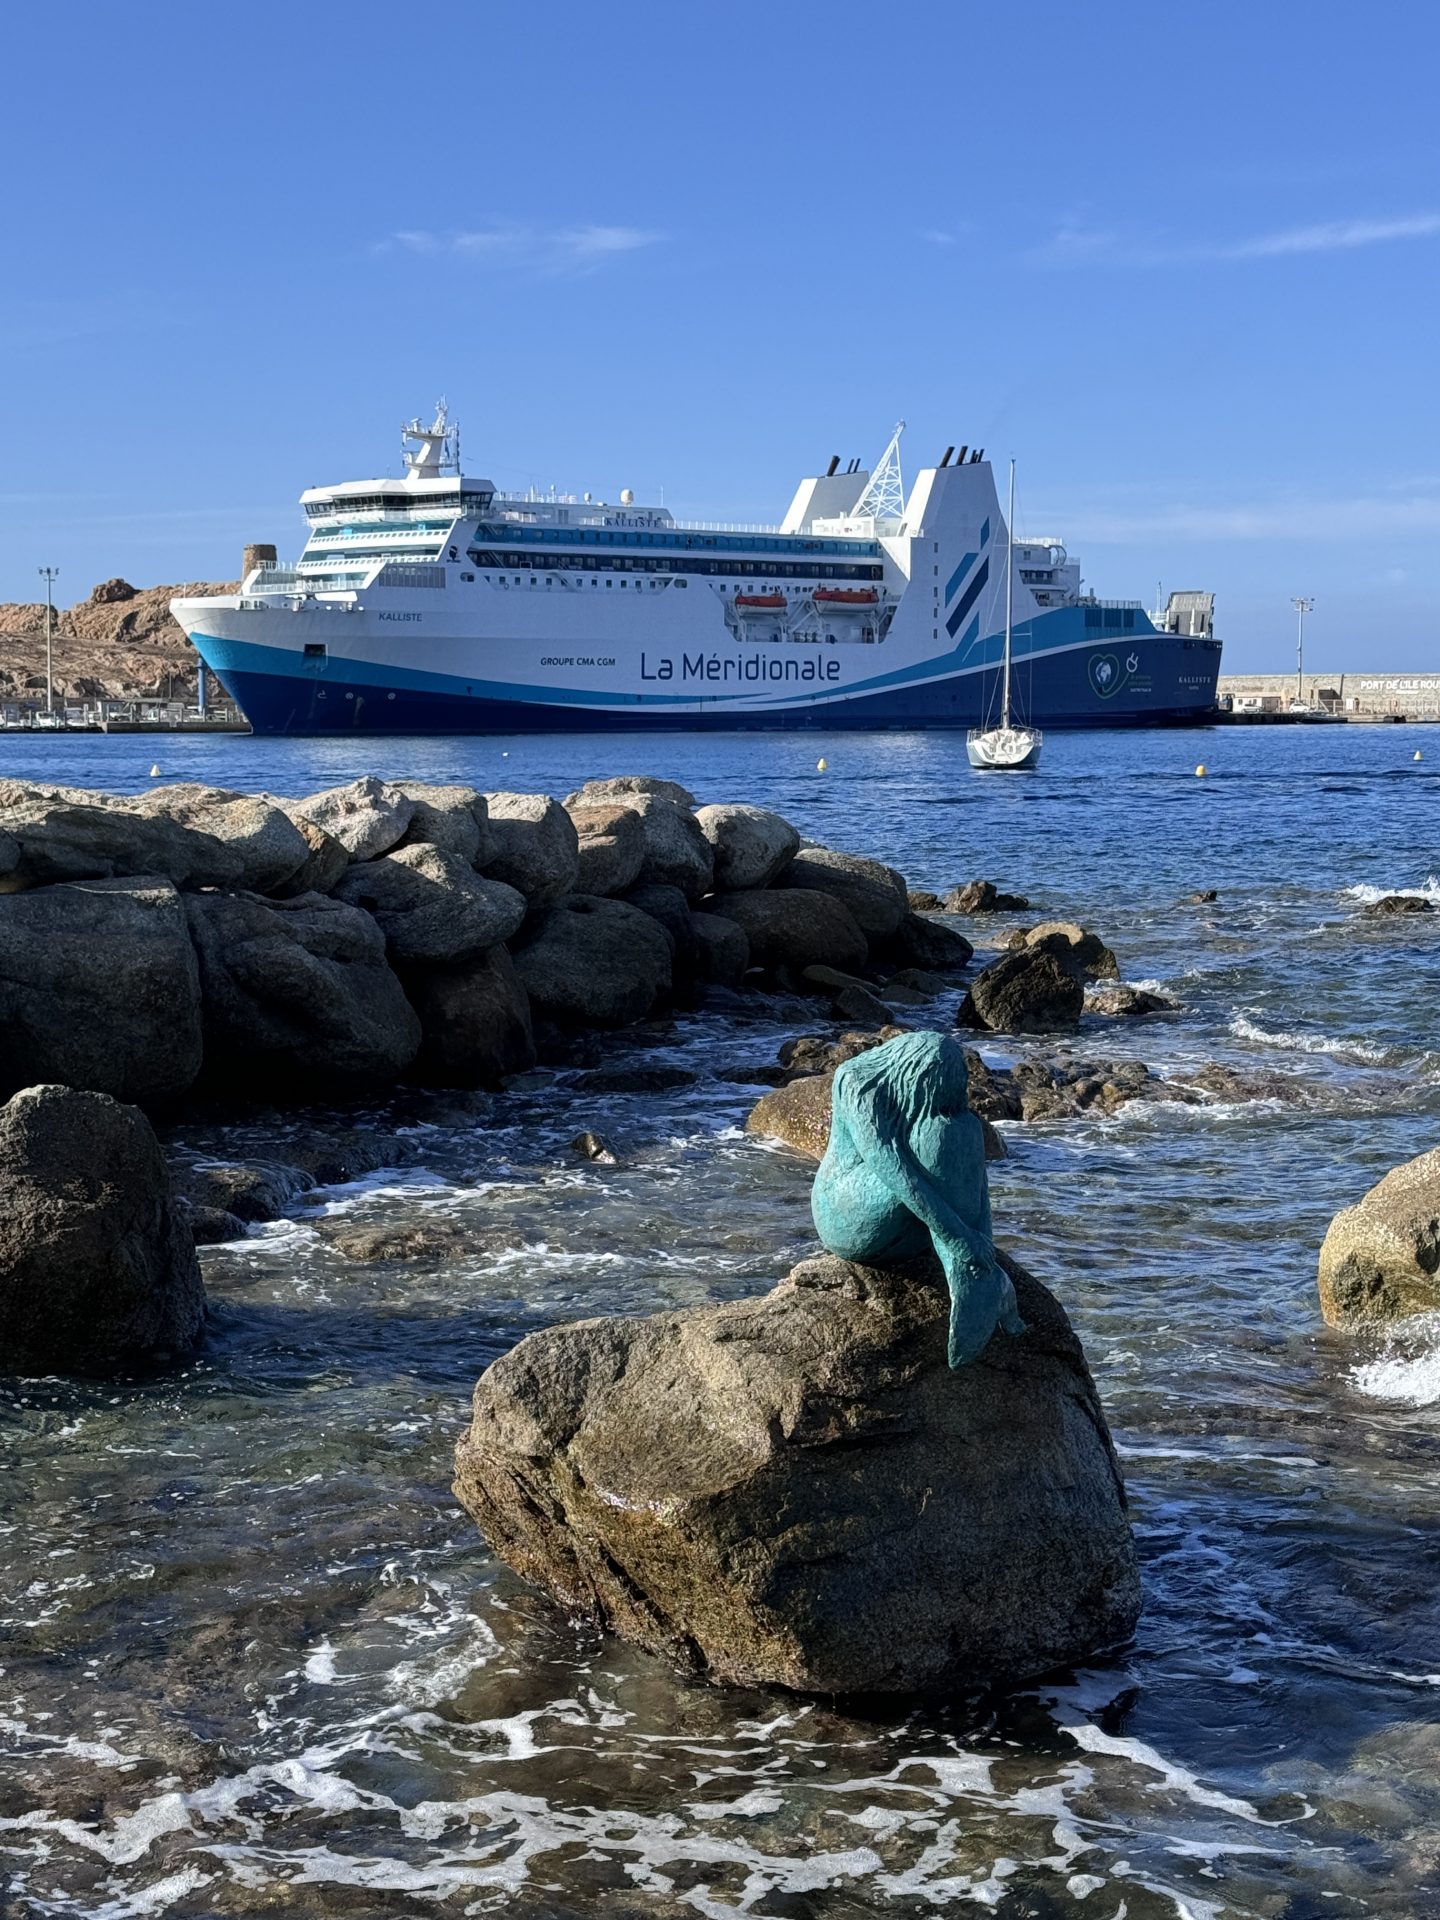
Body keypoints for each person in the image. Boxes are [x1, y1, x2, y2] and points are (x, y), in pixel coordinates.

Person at [811, 1031, 1025, 1368]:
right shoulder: (856, 1083)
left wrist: (983, 1243)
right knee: (938, 1136)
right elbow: (892, 1170)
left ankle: (978, 1277)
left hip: (909, 1229)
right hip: (848, 1211)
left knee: (962, 1126)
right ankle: (968, 1276)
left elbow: (976, 1181)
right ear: (915, 1077)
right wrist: (961, 1239)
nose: (937, 1107)